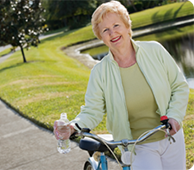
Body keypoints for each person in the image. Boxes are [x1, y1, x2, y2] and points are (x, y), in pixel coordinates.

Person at [54, 1, 189, 170]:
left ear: (127, 26)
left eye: (116, 25)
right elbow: (92, 110)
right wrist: (72, 127)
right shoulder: (100, 72)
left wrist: (174, 116)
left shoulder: (155, 50)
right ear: (101, 37)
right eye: (105, 30)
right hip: (137, 146)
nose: (113, 33)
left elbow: (179, 86)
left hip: (172, 138)